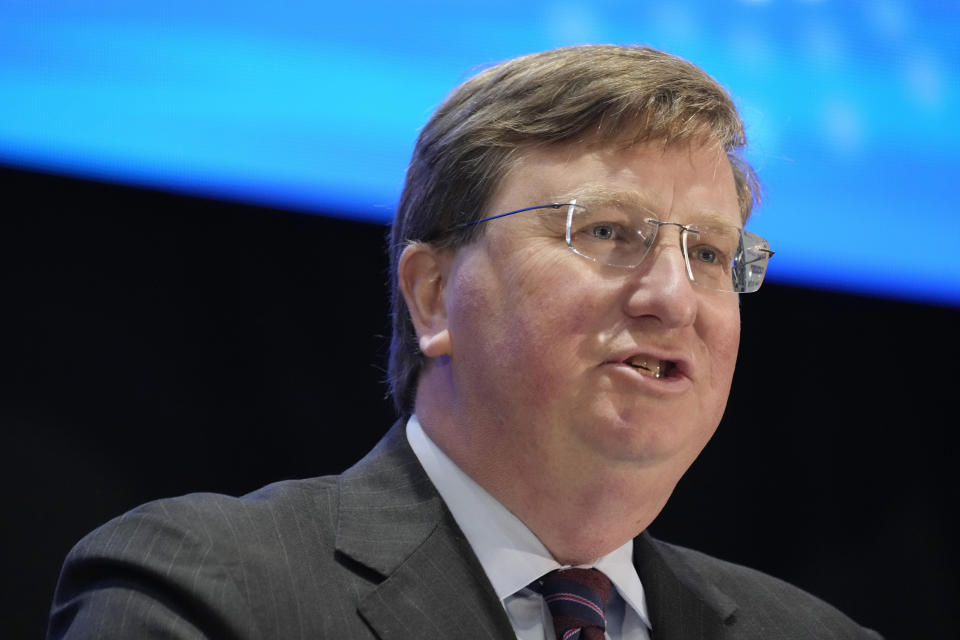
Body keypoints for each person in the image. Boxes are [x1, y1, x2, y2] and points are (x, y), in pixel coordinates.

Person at [48, 44, 882, 639]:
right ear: (434, 294)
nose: (673, 295)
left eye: (707, 252)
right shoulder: (207, 591)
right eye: (605, 231)